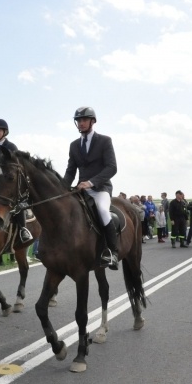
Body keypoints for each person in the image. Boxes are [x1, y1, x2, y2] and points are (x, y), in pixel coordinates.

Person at [62, 106, 119, 268]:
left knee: (102, 210)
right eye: (79, 120)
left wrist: (91, 182)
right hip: (81, 189)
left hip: (100, 188)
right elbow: (70, 172)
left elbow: (112, 167)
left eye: (84, 120)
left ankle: (112, 252)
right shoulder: (74, 146)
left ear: (92, 121)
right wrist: (62, 189)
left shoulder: (105, 141)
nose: (81, 123)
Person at [0, 119, 32, 242]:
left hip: (8, 182)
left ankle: (23, 229)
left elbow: (14, 168)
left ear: (5, 131)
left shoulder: (11, 147)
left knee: (16, 202)